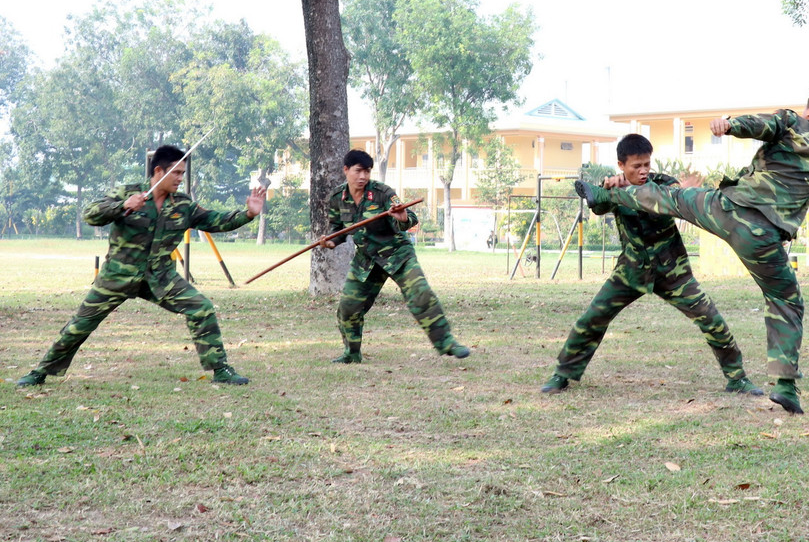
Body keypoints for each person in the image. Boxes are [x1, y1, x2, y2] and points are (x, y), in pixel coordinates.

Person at [574, 82, 809, 414]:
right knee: (786, 301)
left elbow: (764, 124)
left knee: (671, 198)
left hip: (729, 208)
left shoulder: (792, 121)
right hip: (765, 236)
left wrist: (731, 125)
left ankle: (606, 194)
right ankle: (785, 385)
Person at [17, 145, 265, 387]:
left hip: (160, 277)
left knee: (201, 308)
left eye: (183, 173)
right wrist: (122, 206)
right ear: (159, 171)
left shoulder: (182, 204)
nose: (181, 179)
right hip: (118, 275)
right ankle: (40, 372)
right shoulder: (128, 193)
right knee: (79, 325)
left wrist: (248, 214)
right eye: (176, 173)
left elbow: (215, 220)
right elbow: (91, 214)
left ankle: (220, 370)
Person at [541, 134, 762, 397]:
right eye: (637, 166)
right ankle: (562, 374)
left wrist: (643, 189)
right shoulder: (614, 188)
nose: (644, 170)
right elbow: (597, 205)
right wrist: (609, 187)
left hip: (673, 271)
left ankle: (737, 378)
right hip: (631, 271)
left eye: (647, 164)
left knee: (711, 318)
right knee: (592, 319)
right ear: (621, 165)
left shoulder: (663, 184)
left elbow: (668, 198)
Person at [323, 149, 470, 364]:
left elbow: (407, 218)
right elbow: (339, 229)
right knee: (348, 307)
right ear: (346, 170)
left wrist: (402, 218)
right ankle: (351, 353)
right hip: (367, 260)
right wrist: (330, 242)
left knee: (420, 294)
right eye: (358, 171)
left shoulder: (382, 192)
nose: (363, 177)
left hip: (397, 254)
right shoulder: (338, 198)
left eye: (367, 172)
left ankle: (446, 343)